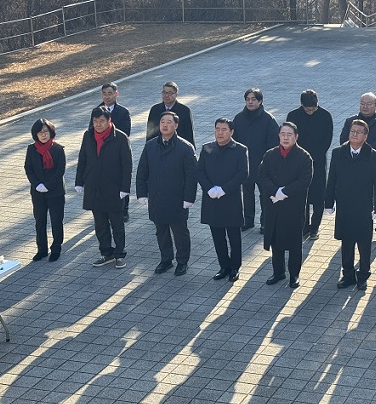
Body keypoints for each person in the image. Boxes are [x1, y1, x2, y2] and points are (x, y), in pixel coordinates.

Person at [324, 120, 376, 291]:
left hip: (364, 207)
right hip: (344, 205)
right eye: (352, 131)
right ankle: (348, 275)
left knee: (364, 243)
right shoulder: (338, 153)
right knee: (347, 242)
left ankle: (363, 275)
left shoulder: (374, 156)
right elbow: (332, 179)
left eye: (359, 132)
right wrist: (329, 202)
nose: (354, 134)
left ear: (366, 136)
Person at [136, 111, 197, 276]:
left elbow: (192, 176)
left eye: (169, 122)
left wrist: (189, 198)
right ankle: (166, 260)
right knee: (161, 230)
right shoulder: (150, 146)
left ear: (176, 126)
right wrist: (142, 193)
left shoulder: (185, 148)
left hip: (177, 198)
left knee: (180, 232)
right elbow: (142, 171)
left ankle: (182, 261)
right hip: (156, 197)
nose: (165, 125)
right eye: (162, 121)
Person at [76, 106, 133, 268]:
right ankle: (106, 253)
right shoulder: (88, 136)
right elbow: (82, 159)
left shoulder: (120, 137)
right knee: (100, 224)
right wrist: (79, 181)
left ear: (109, 121)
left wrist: (125, 188)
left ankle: (119, 254)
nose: (98, 124)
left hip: (114, 188)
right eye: (95, 121)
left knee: (117, 224)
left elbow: (127, 165)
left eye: (101, 121)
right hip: (94, 187)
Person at [258, 122, 313, 288]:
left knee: (294, 243)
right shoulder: (270, 155)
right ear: (279, 136)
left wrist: (284, 192)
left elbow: (304, 180)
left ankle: (294, 274)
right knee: (276, 241)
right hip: (273, 204)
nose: (286, 137)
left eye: (289, 134)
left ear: (296, 137)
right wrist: (275, 192)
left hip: (293, 206)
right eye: (283, 134)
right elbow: (262, 176)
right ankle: (278, 272)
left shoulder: (304, 157)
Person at [197, 118, 249, 282]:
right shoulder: (207, 148)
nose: (220, 132)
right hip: (212, 199)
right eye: (217, 129)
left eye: (224, 129)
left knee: (234, 236)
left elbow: (242, 173)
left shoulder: (240, 150)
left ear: (231, 132)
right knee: (217, 236)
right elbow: (199, 171)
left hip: (231, 199)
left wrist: (224, 189)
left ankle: (235, 267)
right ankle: (223, 266)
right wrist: (209, 188)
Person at [339, 92, 376, 243]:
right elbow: (343, 141)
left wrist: (361, 149)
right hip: (352, 167)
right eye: (362, 103)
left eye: (368, 104)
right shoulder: (350, 122)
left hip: (374, 167)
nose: (365, 107)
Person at [286, 89, 333, 239]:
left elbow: (327, 139)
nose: (311, 112)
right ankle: (304, 226)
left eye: (314, 109)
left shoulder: (325, 116)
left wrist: (315, 156)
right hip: (299, 161)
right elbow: (290, 138)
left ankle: (315, 227)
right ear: (301, 105)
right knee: (302, 194)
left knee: (318, 195)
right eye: (308, 109)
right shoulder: (293, 116)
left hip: (318, 161)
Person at [233, 88, 279, 232]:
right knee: (247, 193)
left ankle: (265, 222)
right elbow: (234, 141)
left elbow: (274, 144)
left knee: (265, 194)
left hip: (263, 164)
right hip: (245, 163)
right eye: (248, 99)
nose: (250, 102)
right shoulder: (238, 119)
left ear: (260, 101)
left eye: (253, 99)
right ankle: (248, 220)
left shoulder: (269, 120)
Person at [89, 82, 132, 222]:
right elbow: (91, 132)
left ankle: (124, 209)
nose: (107, 97)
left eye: (110, 93)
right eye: (104, 94)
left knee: (120, 180)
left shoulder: (123, 112)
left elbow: (126, 132)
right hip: (100, 153)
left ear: (116, 94)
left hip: (117, 152)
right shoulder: (96, 111)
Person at [24, 119, 66, 262]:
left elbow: (60, 170)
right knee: (40, 221)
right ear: (35, 134)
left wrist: (48, 185)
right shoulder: (31, 149)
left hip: (55, 192)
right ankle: (41, 249)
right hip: (38, 192)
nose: (43, 135)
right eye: (40, 132)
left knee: (56, 221)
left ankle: (56, 248)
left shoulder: (58, 149)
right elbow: (28, 168)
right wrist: (36, 184)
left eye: (46, 131)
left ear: (51, 132)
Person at [146, 81, 195, 147]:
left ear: (176, 95)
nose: (166, 96)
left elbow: (189, 133)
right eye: (164, 93)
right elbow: (150, 132)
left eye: (169, 93)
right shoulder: (155, 109)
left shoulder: (184, 111)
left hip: (178, 147)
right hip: (158, 147)